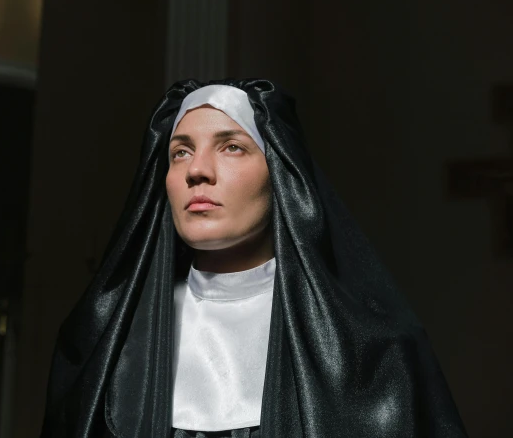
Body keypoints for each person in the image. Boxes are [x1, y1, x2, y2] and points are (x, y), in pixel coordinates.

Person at [40, 80, 467, 437]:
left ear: (280, 174)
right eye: (181, 152)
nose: (197, 170)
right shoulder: (104, 344)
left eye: (231, 147)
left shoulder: (376, 354)